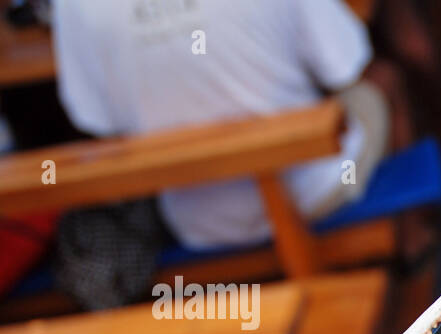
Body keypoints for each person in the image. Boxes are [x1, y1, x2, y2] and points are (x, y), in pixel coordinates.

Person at [50, 0, 401, 251]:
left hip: (193, 221)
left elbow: (97, 120)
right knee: (380, 80)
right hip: (312, 193)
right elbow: (346, 64)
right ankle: (414, 240)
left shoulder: (72, 7)